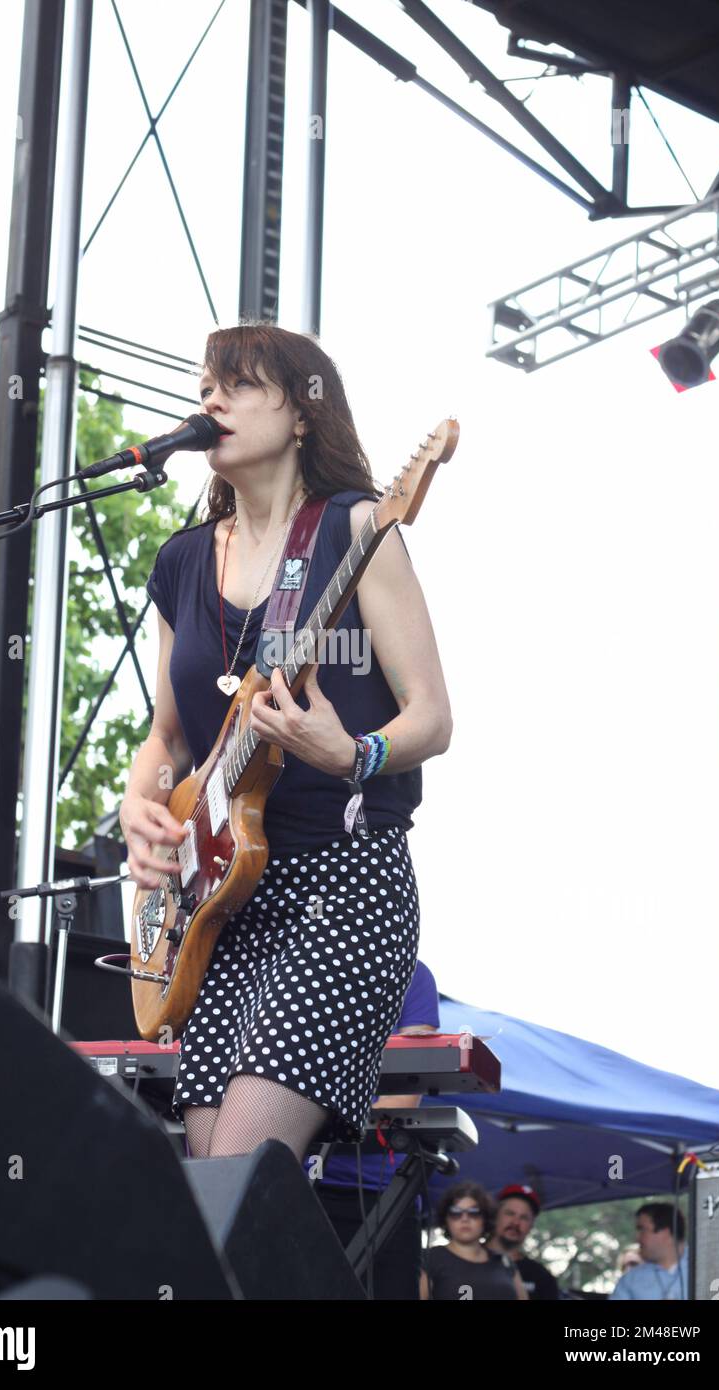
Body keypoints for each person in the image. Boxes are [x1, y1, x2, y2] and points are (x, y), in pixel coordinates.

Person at [120, 323, 452, 1164]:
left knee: (236, 1171)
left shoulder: (359, 529)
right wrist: (139, 806)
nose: (211, 401)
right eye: (204, 388)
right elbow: (167, 737)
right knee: (211, 1193)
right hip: (222, 911)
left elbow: (433, 717)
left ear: (303, 414)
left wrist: (353, 754)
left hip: (343, 888)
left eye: (238, 384)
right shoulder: (183, 562)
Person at [309, 958, 441, 1299]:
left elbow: (404, 1098)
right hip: (298, 1184)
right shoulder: (296, 963)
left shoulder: (411, 973)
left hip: (380, 1190)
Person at [420, 1182, 528, 1300]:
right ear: (446, 1219)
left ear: (485, 1218)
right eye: (456, 1212)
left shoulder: (504, 1262)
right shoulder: (430, 1258)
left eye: (474, 1212)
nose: (465, 1218)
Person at [487, 1183, 559, 1300]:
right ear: (495, 1215)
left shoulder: (541, 1276)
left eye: (524, 1217)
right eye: (510, 1213)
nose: (516, 1222)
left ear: (531, 1225)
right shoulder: (467, 1259)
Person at [609, 1203, 688, 1300]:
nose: (637, 1238)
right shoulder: (630, 1281)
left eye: (642, 1230)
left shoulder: (705, 1269)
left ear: (665, 1233)